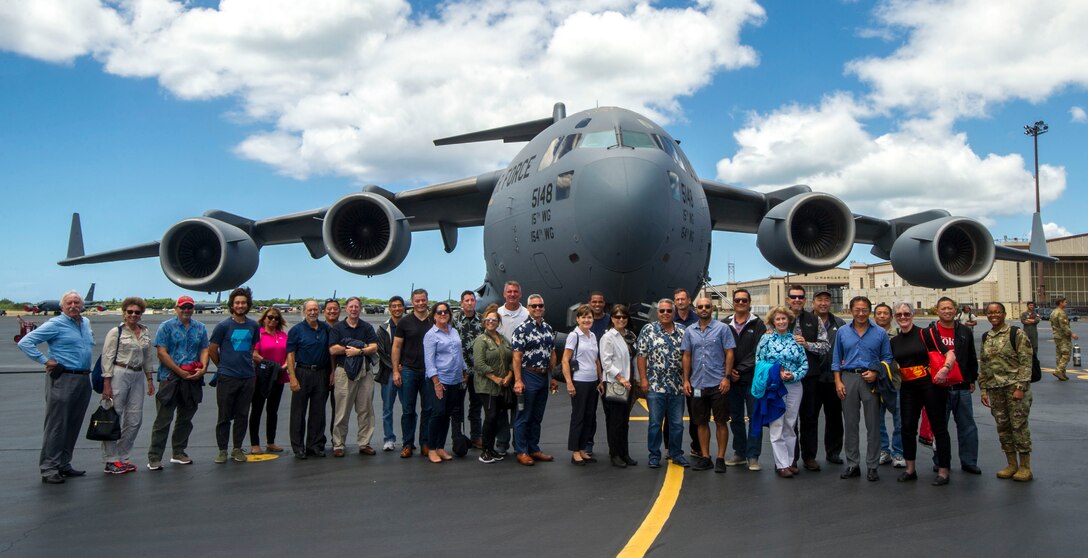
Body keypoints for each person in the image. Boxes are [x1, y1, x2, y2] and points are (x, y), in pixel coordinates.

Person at [17, 290, 94, 484]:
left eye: (77, 302)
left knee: (73, 423)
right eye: (69, 303)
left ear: (82, 305)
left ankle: (63, 463)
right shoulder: (55, 324)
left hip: (83, 378)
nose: (73, 306)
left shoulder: (85, 323)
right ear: (62, 307)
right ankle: (49, 468)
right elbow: (26, 342)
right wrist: (45, 360)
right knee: (57, 425)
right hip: (63, 377)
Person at [889, 302, 951, 486]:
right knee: (907, 428)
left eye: (906, 313)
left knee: (939, 428)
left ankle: (943, 470)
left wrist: (945, 370)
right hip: (908, 387)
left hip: (930, 385)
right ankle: (910, 469)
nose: (903, 317)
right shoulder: (894, 341)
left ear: (912, 314)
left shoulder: (925, 333)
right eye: (899, 314)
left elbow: (949, 353)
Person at [833, 296, 892, 482]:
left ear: (869, 311)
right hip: (848, 378)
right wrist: (838, 382)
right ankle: (853, 464)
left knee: (873, 424)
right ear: (851, 310)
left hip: (870, 380)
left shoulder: (880, 333)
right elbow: (836, 359)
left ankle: (873, 466)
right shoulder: (843, 332)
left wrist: (876, 372)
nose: (860, 313)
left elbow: (888, 358)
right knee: (850, 424)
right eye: (857, 309)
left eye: (864, 309)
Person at [147, 295, 209, 470]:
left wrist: (203, 368)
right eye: (183, 307)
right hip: (170, 379)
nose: (186, 310)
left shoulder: (200, 328)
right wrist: (178, 370)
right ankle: (155, 456)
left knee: (185, 419)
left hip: (192, 378)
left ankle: (179, 452)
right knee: (163, 419)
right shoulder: (166, 327)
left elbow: (204, 348)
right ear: (176, 308)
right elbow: (162, 352)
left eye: (189, 307)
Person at [979, 302, 1035, 481]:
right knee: (1003, 427)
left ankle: (1025, 466)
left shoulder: (1016, 334)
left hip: (1014, 388)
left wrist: (1020, 387)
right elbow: (985, 365)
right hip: (995, 389)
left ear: (1004, 314)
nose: (993, 315)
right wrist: (983, 390)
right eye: (990, 312)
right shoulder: (986, 337)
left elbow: (1026, 362)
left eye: (997, 312)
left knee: (1019, 426)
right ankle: (1011, 463)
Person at [100, 297, 156, 474]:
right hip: (119, 372)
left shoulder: (145, 332)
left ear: (141, 314)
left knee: (134, 419)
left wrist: (149, 379)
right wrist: (106, 383)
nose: (133, 315)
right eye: (129, 311)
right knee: (113, 416)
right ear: (124, 313)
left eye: (137, 312)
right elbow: (107, 357)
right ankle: (111, 459)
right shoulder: (116, 332)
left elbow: (148, 357)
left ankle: (123, 456)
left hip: (138, 374)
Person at [681, 296, 736, 473]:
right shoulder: (690, 331)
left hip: (718, 382)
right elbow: (687, 356)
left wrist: (727, 377)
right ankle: (706, 457)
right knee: (700, 422)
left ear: (712, 309)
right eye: (700, 307)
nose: (703, 309)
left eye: (707, 306)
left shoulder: (723, 329)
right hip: (697, 383)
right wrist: (686, 380)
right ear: (695, 309)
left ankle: (720, 457)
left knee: (721, 421)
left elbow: (729, 353)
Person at [788, 286, 838, 472]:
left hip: (810, 376)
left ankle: (809, 456)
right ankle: (790, 458)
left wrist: (807, 345)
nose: (797, 300)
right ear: (788, 299)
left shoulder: (813, 320)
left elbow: (825, 346)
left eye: (800, 297)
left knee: (809, 417)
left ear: (804, 300)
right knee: (790, 419)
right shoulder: (780, 317)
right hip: (788, 377)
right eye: (793, 297)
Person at [930, 296, 981, 475]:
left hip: (961, 386)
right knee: (939, 427)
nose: (947, 311)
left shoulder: (964, 331)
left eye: (950, 308)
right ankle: (940, 461)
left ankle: (969, 461)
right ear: (937, 310)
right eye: (943, 308)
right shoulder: (930, 331)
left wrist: (972, 379)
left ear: (955, 310)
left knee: (967, 426)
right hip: (939, 388)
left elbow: (971, 356)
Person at [755, 306, 808, 478]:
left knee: (790, 424)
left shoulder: (796, 340)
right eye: (777, 319)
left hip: (794, 385)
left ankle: (790, 461)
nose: (781, 322)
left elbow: (804, 364)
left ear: (789, 320)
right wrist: (776, 372)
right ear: (772, 321)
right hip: (775, 386)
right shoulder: (766, 339)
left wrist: (793, 374)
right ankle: (781, 464)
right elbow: (759, 362)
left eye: (784, 318)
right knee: (777, 424)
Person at [209, 287, 261, 464]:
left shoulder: (253, 326)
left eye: (243, 303)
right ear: (232, 305)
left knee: (242, 415)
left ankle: (237, 448)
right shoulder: (223, 326)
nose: (240, 305)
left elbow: (252, 348)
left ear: (248, 305)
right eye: (237, 303)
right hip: (227, 377)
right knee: (224, 416)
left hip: (247, 377)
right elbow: (212, 349)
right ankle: (222, 450)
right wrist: (222, 366)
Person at [637, 298, 689, 469]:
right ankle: (654, 455)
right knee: (655, 423)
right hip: (655, 385)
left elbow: (687, 357)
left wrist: (686, 380)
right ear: (657, 312)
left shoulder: (682, 330)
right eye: (662, 311)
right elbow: (641, 356)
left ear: (673, 312)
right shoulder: (648, 330)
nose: (665, 314)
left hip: (677, 385)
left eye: (668, 311)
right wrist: (643, 379)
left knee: (677, 424)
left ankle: (676, 453)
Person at [511, 294, 559, 466]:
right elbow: (516, 357)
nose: (537, 308)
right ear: (528, 308)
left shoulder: (548, 328)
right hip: (528, 374)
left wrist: (552, 377)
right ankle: (521, 450)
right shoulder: (521, 330)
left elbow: (552, 353)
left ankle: (534, 448)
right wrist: (518, 380)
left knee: (537, 416)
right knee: (524, 415)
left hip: (543, 375)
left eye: (540, 305)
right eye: (534, 306)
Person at [329, 297, 380, 457]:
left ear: (360, 308)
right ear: (346, 308)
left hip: (364, 372)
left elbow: (374, 347)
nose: (353, 309)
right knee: (342, 410)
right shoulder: (338, 327)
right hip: (344, 372)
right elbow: (332, 349)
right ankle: (338, 444)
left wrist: (359, 351)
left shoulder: (366, 327)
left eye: (356, 307)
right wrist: (350, 347)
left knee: (365, 409)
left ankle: (364, 443)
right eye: (351, 306)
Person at [723, 289, 767, 471]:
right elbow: (721, 349)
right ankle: (740, 452)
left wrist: (738, 370)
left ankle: (753, 455)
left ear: (749, 302)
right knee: (736, 418)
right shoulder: (725, 324)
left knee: (755, 417)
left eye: (744, 300)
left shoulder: (758, 324)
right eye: (737, 300)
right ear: (733, 303)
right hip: (732, 381)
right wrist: (728, 372)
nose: (740, 303)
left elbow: (759, 351)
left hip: (751, 380)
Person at [286, 300, 333, 459]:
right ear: (304, 311)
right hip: (302, 372)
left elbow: (331, 351)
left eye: (315, 309)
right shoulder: (296, 330)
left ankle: (315, 445)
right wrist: (292, 377)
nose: (313, 312)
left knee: (318, 412)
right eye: (310, 310)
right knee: (298, 412)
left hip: (321, 372)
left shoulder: (325, 328)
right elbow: (290, 355)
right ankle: (298, 447)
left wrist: (332, 372)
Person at [423, 301, 467, 463]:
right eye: (439, 312)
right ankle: (432, 448)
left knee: (447, 414)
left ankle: (441, 447)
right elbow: (429, 360)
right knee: (438, 413)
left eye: (446, 312)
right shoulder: (431, 335)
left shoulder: (453, 331)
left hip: (455, 379)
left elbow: (459, 354)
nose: (443, 314)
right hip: (440, 379)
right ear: (434, 315)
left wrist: (464, 370)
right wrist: (436, 382)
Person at [393, 288, 434, 458]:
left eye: (423, 300)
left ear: (427, 300)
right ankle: (407, 444)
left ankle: (425, 443)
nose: (420, 303)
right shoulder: (405, 322)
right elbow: (396, 347)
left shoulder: (434, 321)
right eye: (417, 300)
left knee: (428, 409)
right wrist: (396, 370)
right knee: (408, 409)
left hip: (429, 371)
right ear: (412, 301)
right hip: (409, 370)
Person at [472, 304, 513, 464]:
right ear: (484, 322)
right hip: (487, 386)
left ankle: (491, 449)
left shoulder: (503, 339)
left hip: (502, 386)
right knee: (491, 417)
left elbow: (511, 359)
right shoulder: (480, 340)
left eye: (494, 320)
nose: (491, 322)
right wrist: (496, 378)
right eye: (488, 320)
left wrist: (509, 375)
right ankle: (485, 451)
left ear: (498, 322)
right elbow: (479, 364)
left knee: (496, 418)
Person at [562, 304, 602, 466]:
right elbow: (565, 360)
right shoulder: (574, 336)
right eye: (583, 317)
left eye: (589, 317)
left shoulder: (592, 336)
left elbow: (596, 360)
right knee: (578, 417)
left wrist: (600, 380)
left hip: (592, 381)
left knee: (589, 417)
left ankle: (583, 449)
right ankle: (575, 451)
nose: (586, 320)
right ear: (577, 319)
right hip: (579, 381)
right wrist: (569, 383)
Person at [600, 304, 637, 468]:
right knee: (615, 420)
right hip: (616, 383)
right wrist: (621, 378)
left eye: (624, 317)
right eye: (617, 317)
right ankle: (615, 454)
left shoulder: (630, 335)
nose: (621, 319)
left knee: (624, 420)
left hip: (629, 384)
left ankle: (625, 453)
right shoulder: (608, 337)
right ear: (612, 319)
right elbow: (606, 362)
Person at [493, 280, 526, 455]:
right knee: (500, 407)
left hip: (521, 368)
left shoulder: (527, 314)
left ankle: (519, 443)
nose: (512, 294)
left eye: (515, 292)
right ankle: (502, 442)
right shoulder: (496, 314)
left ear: (520, 294)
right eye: (509, 292)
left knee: (519, 407)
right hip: (501, 368)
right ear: (504, 293)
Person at [249, 307, 288, 455]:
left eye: (276, 318)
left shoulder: (283, 335)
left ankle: (271, 442)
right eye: (270, 317)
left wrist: (282, 367)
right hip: (262, 377)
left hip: (278, 377)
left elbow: (289, 353)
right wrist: (270, 366)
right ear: (264, 318)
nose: (273, 320)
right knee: (257, 410)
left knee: (273, 411)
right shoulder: (259, 334)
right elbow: (255, 354)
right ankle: (255, 443)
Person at [873, 303, 905, 469]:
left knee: (899, 420)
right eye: (879, 313)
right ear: (874, 316)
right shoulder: (869, 335)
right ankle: (883, 450)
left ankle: (898, 451)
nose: (882, 316)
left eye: (886, 313)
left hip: (895, 383)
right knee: (877, 420)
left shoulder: (899, 335)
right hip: (875, 384)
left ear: (891, 317)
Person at [453, 290, 484, 449]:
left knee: (476, 405)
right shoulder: (454, 320)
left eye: (472, 300)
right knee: (457, 406)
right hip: (460, 371)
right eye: (467, 300)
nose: (470, 303)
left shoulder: (482, 320)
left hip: (478, 371)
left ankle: (476, 437)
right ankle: (457, 438)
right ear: (461, 303)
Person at [376, 296, 405, 451]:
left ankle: (408, 439)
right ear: (389, 307)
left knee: (408, 407)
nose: (397, 309)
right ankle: (389, 439)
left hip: (406, 371)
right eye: (394, 306)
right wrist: (395, 368)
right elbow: (381, 351)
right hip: (388, 372)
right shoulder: (383, 328)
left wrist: (404, 367)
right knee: (387, 408)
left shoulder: (408, 325)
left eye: (399, 306)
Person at [584, 291, 610, 456]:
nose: (597, 305)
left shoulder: (610, 321)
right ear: (589, 303)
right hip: (590, 375)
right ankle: (587, 444)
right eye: (594, 302)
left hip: (610, 374)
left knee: (611, 413)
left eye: (600, 302)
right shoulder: (586, 322)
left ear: (604, 303)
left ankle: (614, 446)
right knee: (589, 412)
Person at [323, 299, 341, 442]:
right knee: (318, 409)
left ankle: (336, 439)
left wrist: (334, 372)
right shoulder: (319, 327)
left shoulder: (342, 327)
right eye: (329, 309)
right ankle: (317, 439)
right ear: (324, 311)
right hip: (321, 372)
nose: (332, 311)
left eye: (335, 309)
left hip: (339, 372)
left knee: (338, 410)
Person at [1052, 296, 1078, 381]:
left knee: (1059, 355)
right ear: (1061, 303)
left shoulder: (1053, 312)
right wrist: (1072, 334)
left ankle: (1062, 373)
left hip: (1056, 336)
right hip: (1063, 337)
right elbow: (1064, 326)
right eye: (1065, 302)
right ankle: (1059, 371)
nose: (1066, 303)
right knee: (1066, 354)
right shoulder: (1061, 313)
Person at [1019, 301, 1042, 382]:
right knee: (1025, 344)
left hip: (1033, 332)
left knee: (1034, 345)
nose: (1031, 306)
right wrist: (1031, 320)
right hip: (1026, 331)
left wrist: (1030, 320)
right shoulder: (1024, 313)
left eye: (1032, 305)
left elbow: (1037, 320)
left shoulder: (1036, 313)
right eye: (1030, 305)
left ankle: (1035, 358)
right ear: (1027, 306)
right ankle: (1026, 358)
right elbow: (1023, 321)